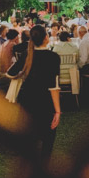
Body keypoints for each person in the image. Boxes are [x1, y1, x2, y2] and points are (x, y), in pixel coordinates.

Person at [14, 25, 61, 163]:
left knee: (29, 133)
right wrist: (57, 111)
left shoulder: (26, 55)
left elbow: (11, 72)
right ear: (46, 38)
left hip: (27, 99)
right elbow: (54, 86)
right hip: (44, 100)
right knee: (48, 135)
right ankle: (44, 164)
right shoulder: (53, 57)